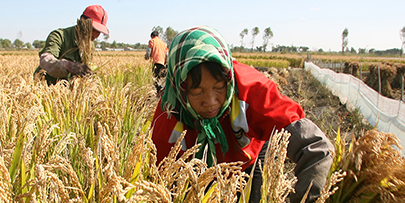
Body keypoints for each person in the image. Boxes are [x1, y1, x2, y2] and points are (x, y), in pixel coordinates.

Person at [151, 26, 334, 203]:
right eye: (197, 93)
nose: (211, 102)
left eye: (219, 88)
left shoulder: (252, 92)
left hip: (249, 161)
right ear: (179, 87)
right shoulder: (170, 114)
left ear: (228, 79)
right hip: (198, 170)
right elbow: (165, 178)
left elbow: (316, 147)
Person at [33, 5, 109, 85]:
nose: (95, 34)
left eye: (99, 31)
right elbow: (46, 61)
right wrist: (69, 66)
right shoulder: (59, 36)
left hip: (67, 92)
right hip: (46, 88)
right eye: (93, 29)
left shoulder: (90, 45)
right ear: (82, 21)